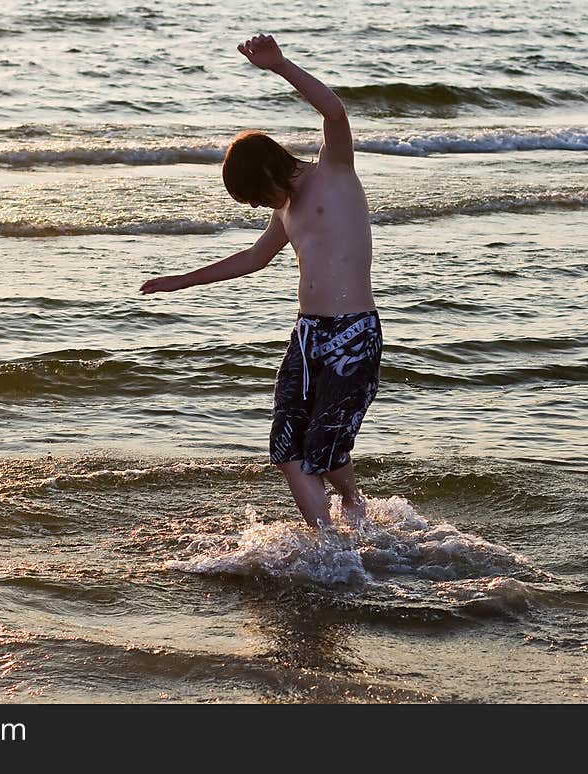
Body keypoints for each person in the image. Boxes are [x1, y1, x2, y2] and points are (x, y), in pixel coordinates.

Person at [139, 34, 382, 530]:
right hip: (307, 335)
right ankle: (327, 540)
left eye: (253, 195)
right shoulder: (286, 211)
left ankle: (353, 505)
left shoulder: (334, 171)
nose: (255, 206)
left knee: (324, 447)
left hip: (353, 332)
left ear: (270, 168)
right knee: (285, 445)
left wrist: (280, 66)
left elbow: (334, 113)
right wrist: (182, 280)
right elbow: (252, 258)